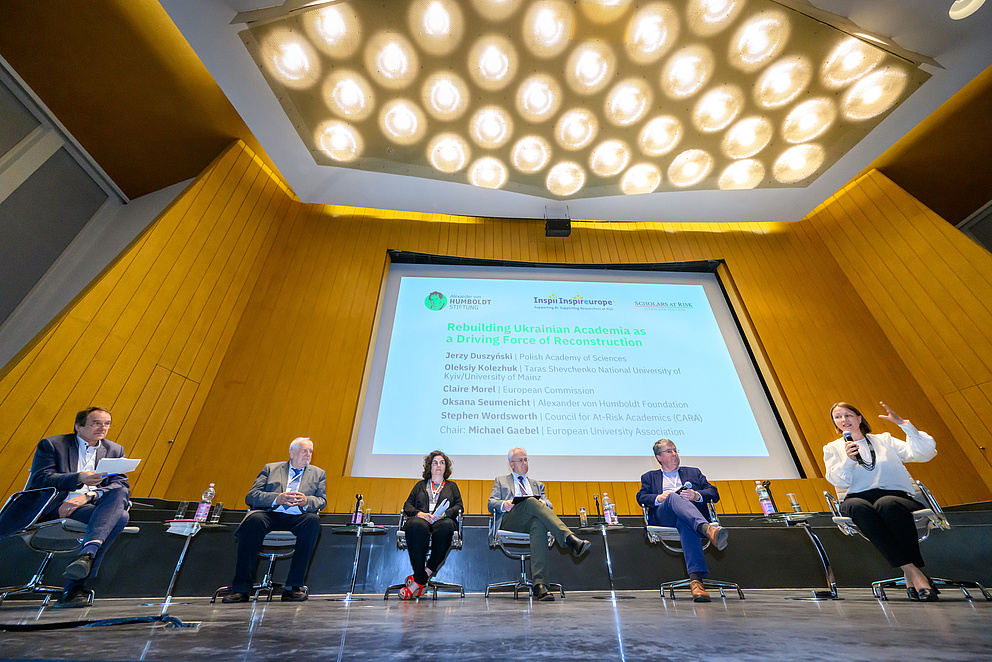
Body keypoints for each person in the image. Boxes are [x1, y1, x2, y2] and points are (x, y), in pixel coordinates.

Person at [823, 401, 938, 601]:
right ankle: (914, 573)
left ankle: (911, 575)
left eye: (848, 415)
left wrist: (904, 425)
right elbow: (838, 480)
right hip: (857, 498)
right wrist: (849, 460)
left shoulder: (884, 440)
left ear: (859, 418)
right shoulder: (833, 448)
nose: (844, 420)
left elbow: (923, 453)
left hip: (895, 496)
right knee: (857, 507)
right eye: (838, 417)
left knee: (887, 505)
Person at [25, 406, 132, 608]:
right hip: (55, 506)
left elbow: (121, 484)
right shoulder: (52, 445)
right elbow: (40, 479)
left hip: (88, 506)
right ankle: (75, 584)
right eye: (96, 423)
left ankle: (86, 555)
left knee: (120, 494)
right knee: (121, 517)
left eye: (107, 424)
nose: (103, 428)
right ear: (78, 426)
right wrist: (79, 478)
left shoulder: (114, 450)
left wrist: (89, 495)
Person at [223, 437, 326, 603]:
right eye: (304, 450)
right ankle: (241, 589)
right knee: (253, 521)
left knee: (313, 521)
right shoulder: (271, 469)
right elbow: (252, 496)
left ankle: (293, 587)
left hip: (299, 516)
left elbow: (321, 500)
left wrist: (307, 501)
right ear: (292, 452)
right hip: (270, 514)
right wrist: (277, 498)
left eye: (310, 451)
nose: (308, 454)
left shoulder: (318, 474)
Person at [488, 447, 591, 602]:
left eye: (526, 459)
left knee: (538, 523)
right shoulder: (501, 481)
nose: (524, 463)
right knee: (530, 501)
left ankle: (540, 586)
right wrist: (504, 504)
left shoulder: (537, 485)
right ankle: (569, 538)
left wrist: (544, 503)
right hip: (510, 520)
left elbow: (547, 503)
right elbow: (491, 503)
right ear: (511, 464)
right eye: (520, 460)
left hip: (529, 521)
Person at [636, 438, 728, 602]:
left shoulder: (693, 473)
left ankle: (696, 582)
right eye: (669, 451)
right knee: (672, 496)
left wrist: (696, 495)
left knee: (685, 524)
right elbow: (641, 497)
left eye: (675, 450)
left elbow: (713, 492)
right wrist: (659, 497)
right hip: (665, 517)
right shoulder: (649, 477)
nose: (674, 454)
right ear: (659, 457)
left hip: (688, 520)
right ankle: (707, 530)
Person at [397, 450, 463, 599]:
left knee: (446, 526)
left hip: (443, 520)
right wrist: (421, 514)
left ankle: (418, 580)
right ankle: (421, 578)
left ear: (446, 467)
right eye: (435, 463)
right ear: (430, 467)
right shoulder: (420, 485)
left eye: (442, 463)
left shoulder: (452, 486)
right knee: (415, 525)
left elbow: (459, 506)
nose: (438, 465)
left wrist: (445, 514)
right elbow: (407, 506)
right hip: (422, 520)